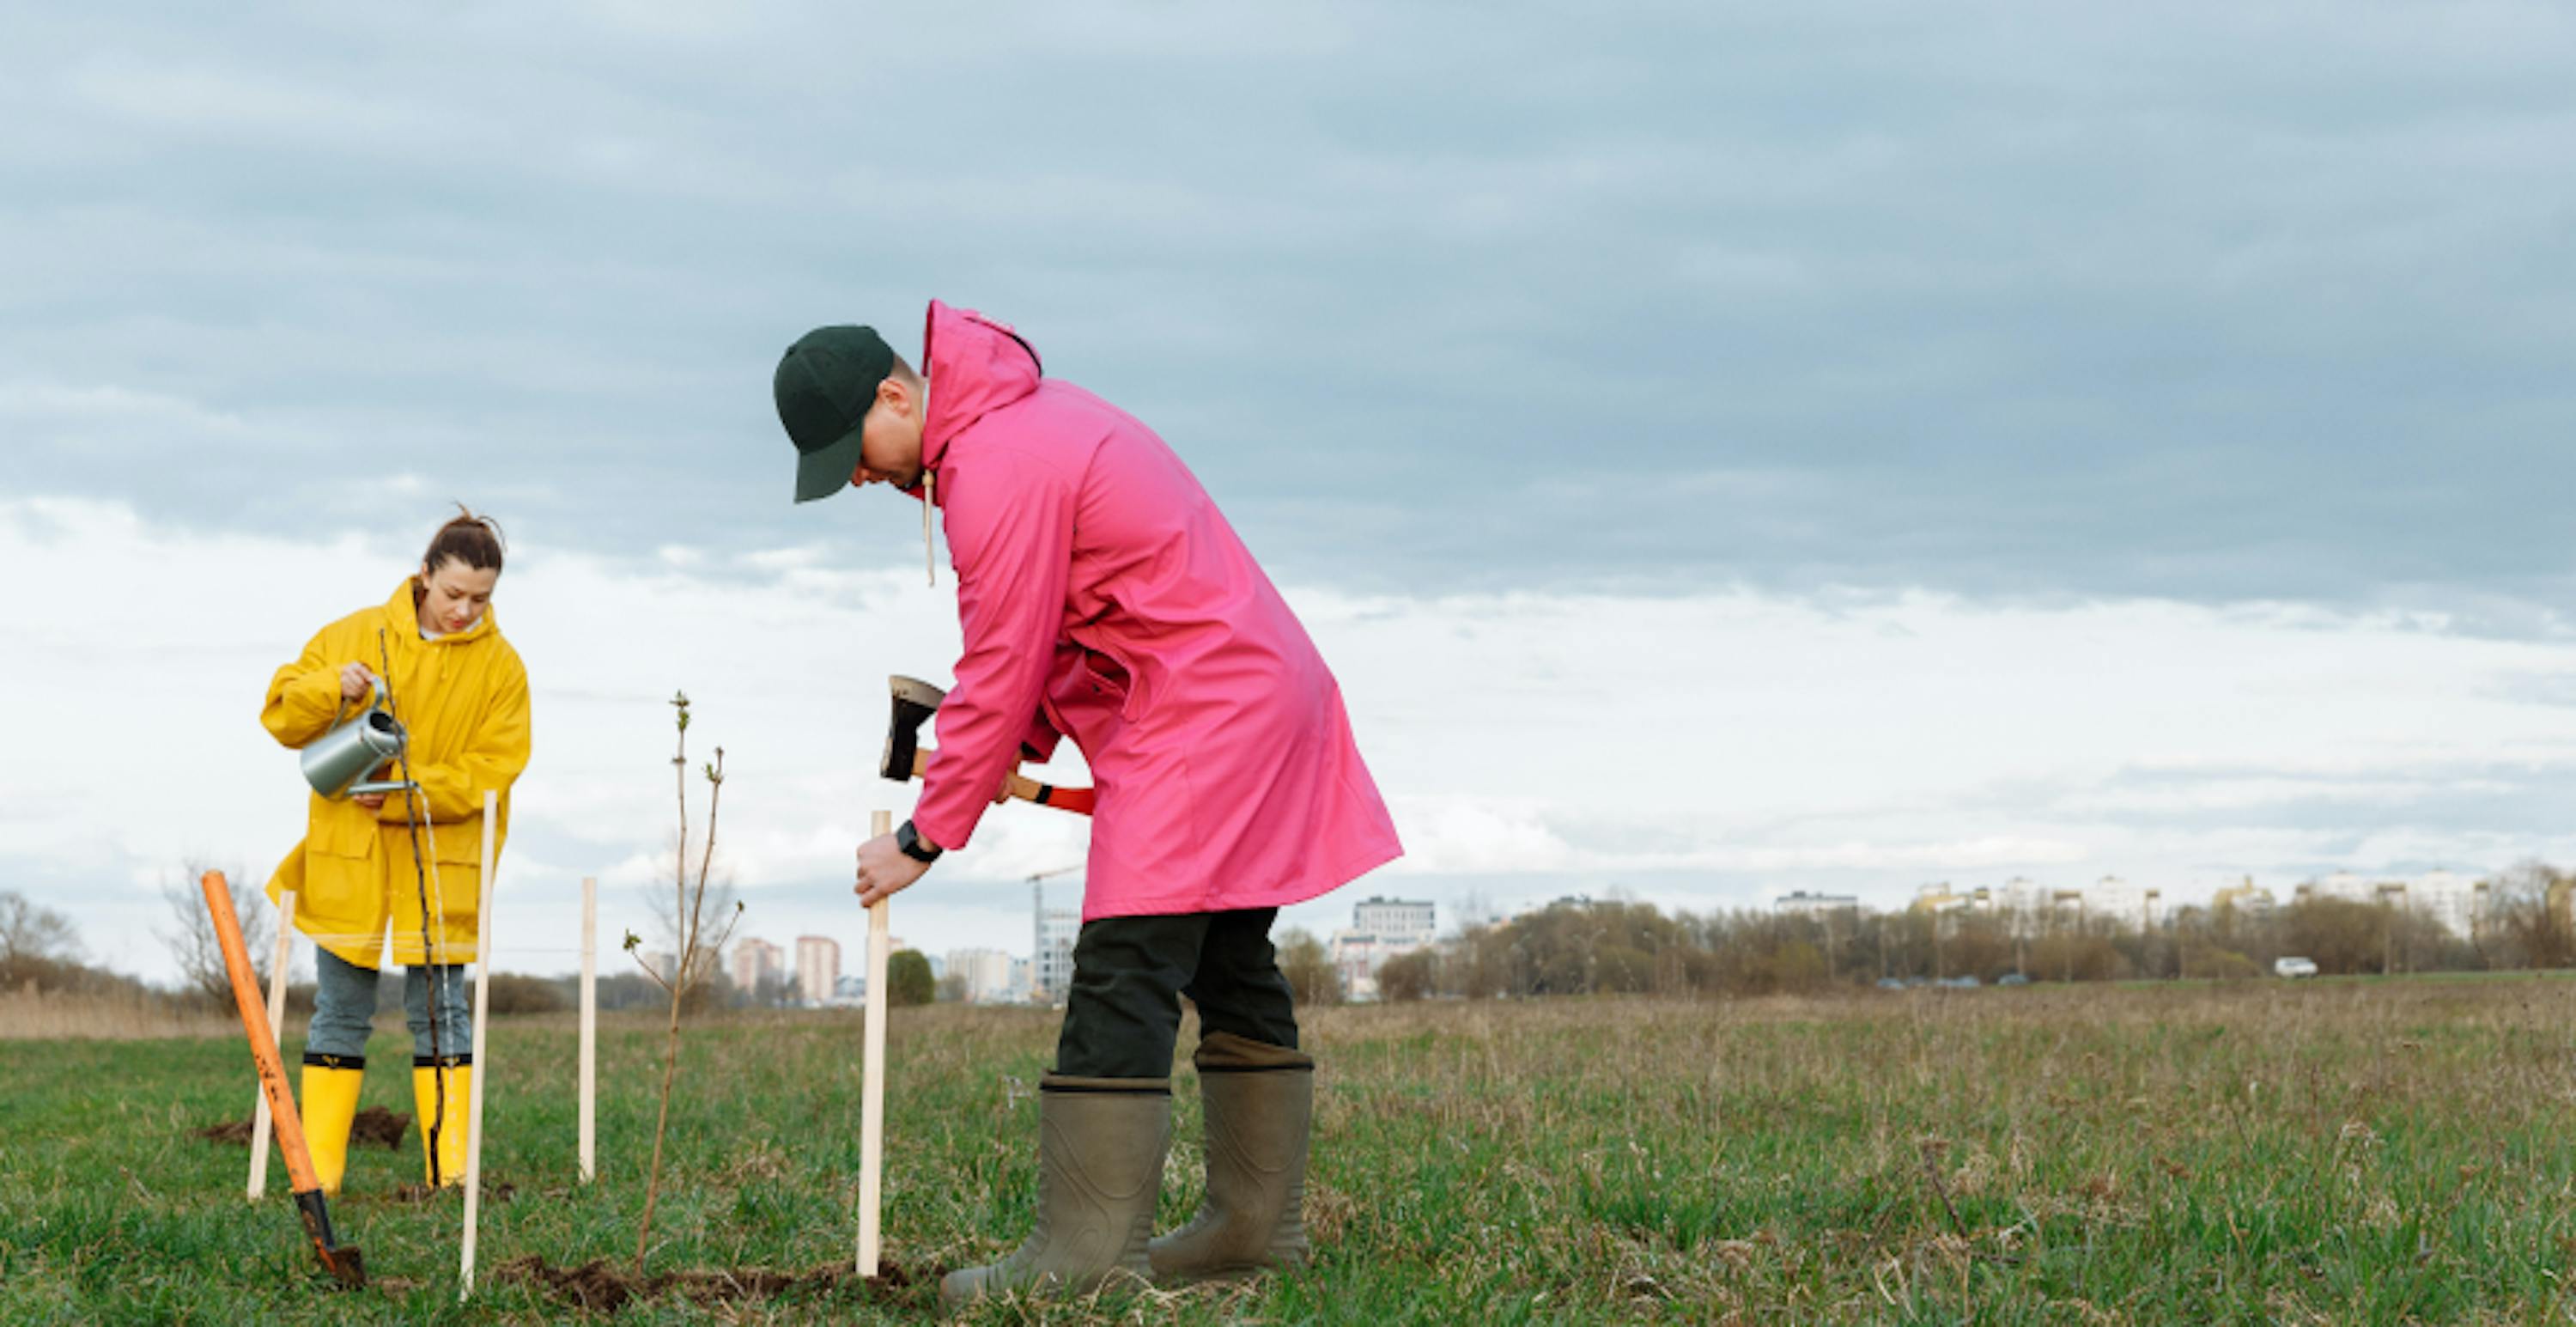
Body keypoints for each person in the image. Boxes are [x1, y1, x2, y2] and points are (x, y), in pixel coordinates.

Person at [774, 301, 1403, 1306]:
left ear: (895, 395)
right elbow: (1050, 656)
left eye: (851, 451)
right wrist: (997, 751)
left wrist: (924, 834)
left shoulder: (995, 467)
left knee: (1124, 963)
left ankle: (1085, 1258)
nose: (856, 476)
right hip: (1245, 692)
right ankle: (1252, 1231)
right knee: (1230, 954)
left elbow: (1004, 659)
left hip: (1200, 712)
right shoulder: (1028, 424)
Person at [258, 508, 532, 1193]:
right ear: (424, 575)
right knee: (340, 1008)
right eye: (454, 594)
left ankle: (451, 1173)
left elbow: (493, 769)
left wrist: (410, 793)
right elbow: (283, 716)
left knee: (440, 1011)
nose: (466, 610)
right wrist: (332, 688)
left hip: (446, 861)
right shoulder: (355, 634)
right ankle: (319, 1174)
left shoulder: (503, 668)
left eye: (482, 599)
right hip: (348, 857)